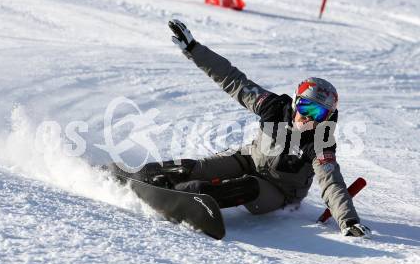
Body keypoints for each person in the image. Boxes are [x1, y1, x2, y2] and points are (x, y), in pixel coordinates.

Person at [111, 19, 371, 237]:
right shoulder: (272, 106)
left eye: (320, 114)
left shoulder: (320, 141)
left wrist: (347, 221)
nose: (310, 118)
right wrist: (193, 48)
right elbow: (232, 79)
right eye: (306, 108)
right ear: (295, 102)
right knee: (192, 168)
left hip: (279, 192)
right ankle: (133, 174)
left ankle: (188, 197)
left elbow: (331, 183)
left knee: (247, 186)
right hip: (250, 159)